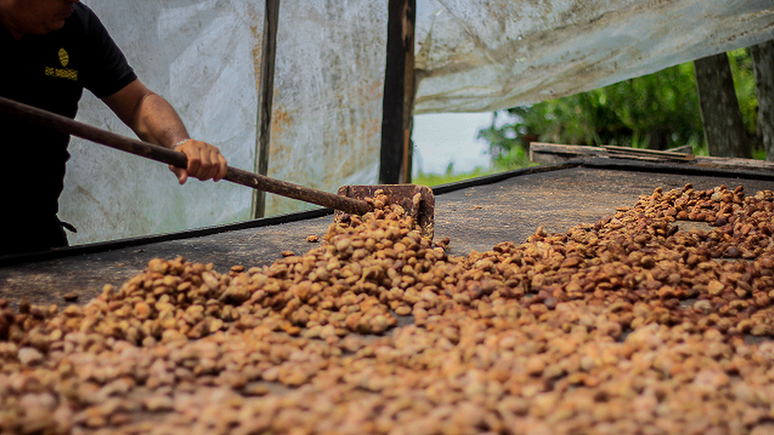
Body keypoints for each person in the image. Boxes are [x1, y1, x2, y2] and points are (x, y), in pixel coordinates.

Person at [0, 0, 228, 256]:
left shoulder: (76, 25)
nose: (74, 0)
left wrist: (179, 143)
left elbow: (138, 103)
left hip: (37, 234)